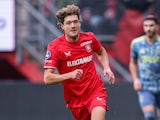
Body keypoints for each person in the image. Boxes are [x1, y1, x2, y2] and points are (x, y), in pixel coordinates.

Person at [43, 4, 115, 120]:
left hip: (95, 91)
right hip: (75, 99)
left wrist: (106, 68)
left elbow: (101, 51)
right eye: (69, 23)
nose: (73, 26)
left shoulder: (89, 38)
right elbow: (47, 78)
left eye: (76, 22)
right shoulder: (55, 47)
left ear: (80, 23)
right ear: (61, 26)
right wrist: (70, 75)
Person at [129, 15, 160, 120]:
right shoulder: (136, 43)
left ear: (157, 27)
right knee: (149, 116)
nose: (149, 28)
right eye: (146, 26)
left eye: (151, 25)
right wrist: (135, 79)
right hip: (145, 86)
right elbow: (132, 63)